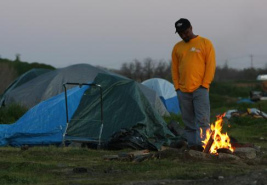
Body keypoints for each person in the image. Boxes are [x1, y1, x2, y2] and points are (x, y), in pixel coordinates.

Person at [171, 18, 216, 151]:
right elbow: (174, 68)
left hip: (200, 89)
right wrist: (177, 87)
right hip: (183, 91)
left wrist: (205, 84)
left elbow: (211, 66)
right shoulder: (177, 47)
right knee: (188, 121)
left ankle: (204, 147)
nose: (183, 35)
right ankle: (193, 147)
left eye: (185, 32)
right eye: (180, 33)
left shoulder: (205, 43)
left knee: (202, 121)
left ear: (191, 28)